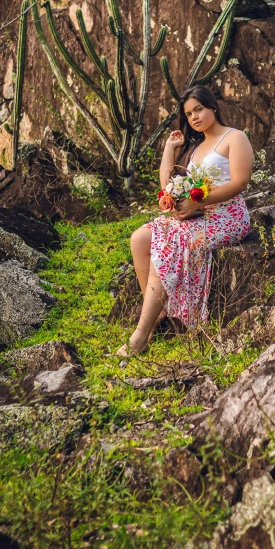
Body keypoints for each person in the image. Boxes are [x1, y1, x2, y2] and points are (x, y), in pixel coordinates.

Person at [116, 85, 254, 356]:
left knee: (175, 238)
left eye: (199, 109)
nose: (194, 117)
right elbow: (169, 184)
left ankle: (142, 333)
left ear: (212, 106)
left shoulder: (234, 137)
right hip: (199, 214)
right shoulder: (197, 147)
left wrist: (198, 202)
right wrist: (170, 147)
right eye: (189, 114)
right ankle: (157, 311)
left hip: (227, 216)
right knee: (140, 238)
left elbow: (240, 182)